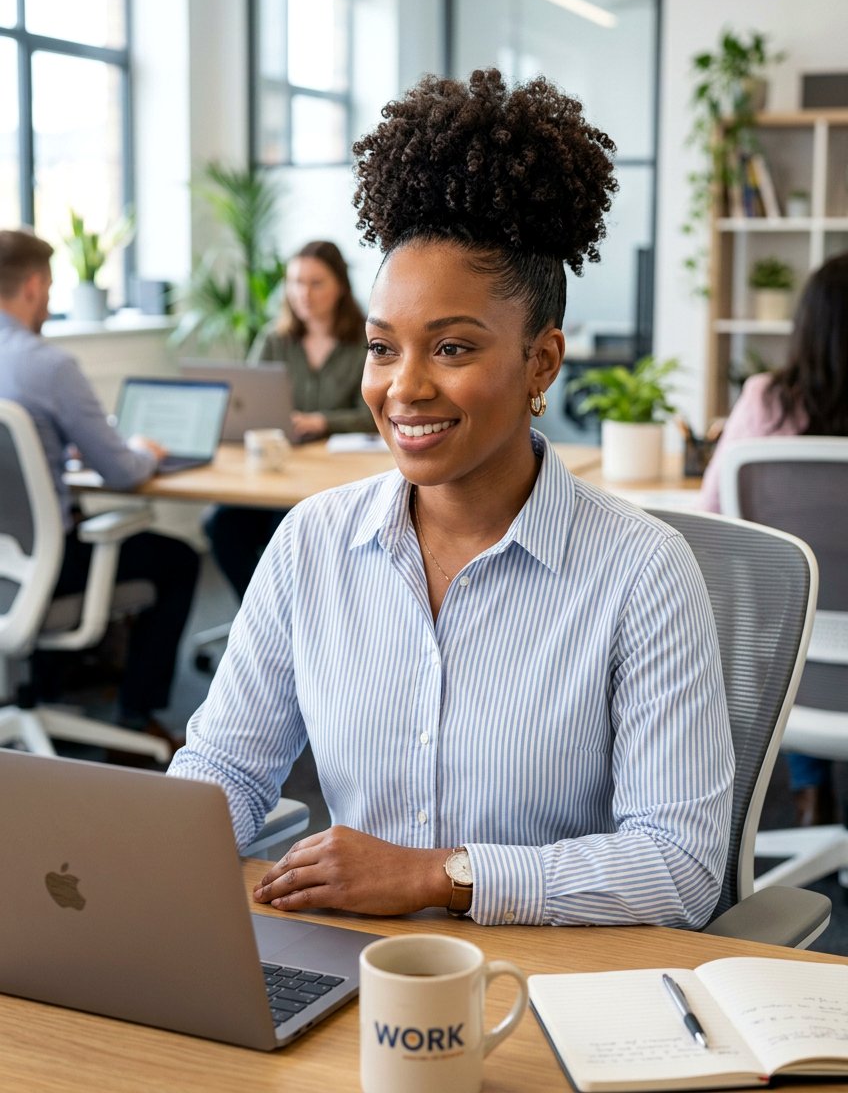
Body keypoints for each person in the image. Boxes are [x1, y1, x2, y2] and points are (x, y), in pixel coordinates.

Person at [171, 69, 733, 928]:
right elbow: (229, 773)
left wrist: (443, 876)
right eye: (383, 348)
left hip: (553, 986)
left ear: (542, 362)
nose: (405, 388)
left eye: (454, 348)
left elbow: (680, 867)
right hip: (353, 969)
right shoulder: (312, 543)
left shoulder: (642, 572)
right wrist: (144, 856)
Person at [0, 228, 199, 749]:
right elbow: (123, 473)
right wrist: (146, 452)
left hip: (6, 566)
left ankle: (40, 691)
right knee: (178, 560)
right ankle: (137, 715)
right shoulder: (48, 365)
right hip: (43, 567)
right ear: (34, 286)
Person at [700, 249, 848, 827]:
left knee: (809, 617)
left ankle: (809, 793)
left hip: (788, 661)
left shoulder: (765, 400)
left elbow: (713, 511)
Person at [204, 240, 374, 600]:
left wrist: (323, 422)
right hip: (276, 471)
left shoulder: (367, 340)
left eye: (316, 283)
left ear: (340, 286)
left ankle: (290, 618)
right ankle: (262, 615)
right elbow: (246, 402)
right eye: (296, 282)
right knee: (221, 526)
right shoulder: (274, 339)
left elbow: (374, 415)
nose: (303, 294)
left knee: (283, 527)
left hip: (335, 477)